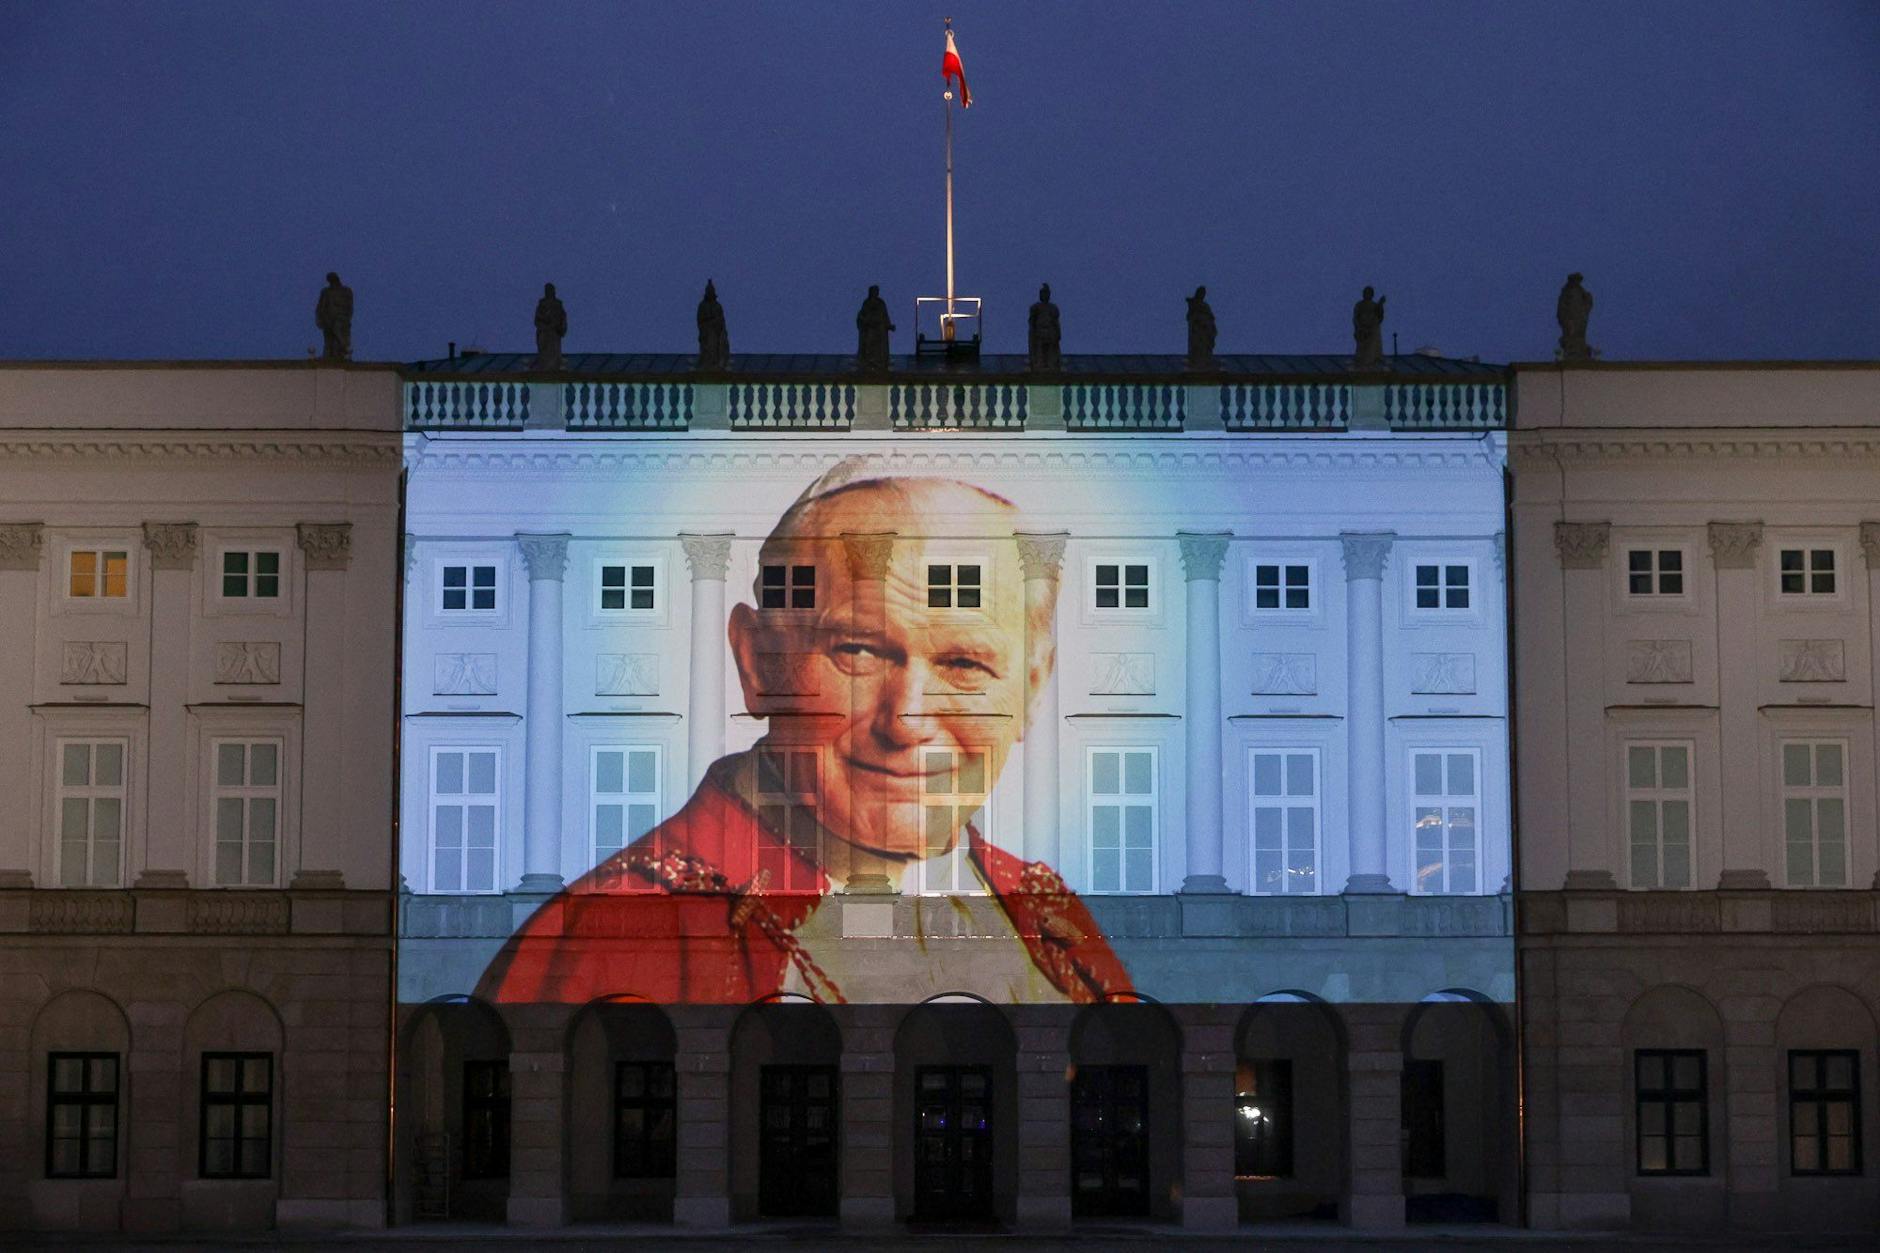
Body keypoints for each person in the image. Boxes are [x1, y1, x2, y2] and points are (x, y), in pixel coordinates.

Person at [477, 464, 1131, 1006]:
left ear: (1032, 689)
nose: (907, 718)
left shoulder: (1052, 919)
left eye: (964, 664)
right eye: (858, 650)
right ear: (759, 663)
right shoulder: (606, 932)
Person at [856, 285, 895, 372]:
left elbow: (885, 316)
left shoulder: (881, 303)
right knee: (869, 343)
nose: (875, 293)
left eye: (877, 291)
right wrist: (865, 320)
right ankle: (869, 360)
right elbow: (862, 315)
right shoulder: (866, 303)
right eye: (874, 291)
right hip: (869, 329)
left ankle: (879, 361)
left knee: (879, 346)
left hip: (880, 330)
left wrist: (889, 325)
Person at [1556, 272, 1594, 362]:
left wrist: (1588, 299)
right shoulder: (1566, 291)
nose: (1577, 282)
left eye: (1579, 280)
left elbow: (1588, 302)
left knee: (1580, 329)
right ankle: (1571, 347)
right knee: (1571, 330)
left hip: (1580, 313)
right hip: (1570, 315)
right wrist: (1563, 314)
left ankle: (1578, 347)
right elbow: (1561, 306)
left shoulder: (1581, 291)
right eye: (1576, 280)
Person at [315, 272, 353, 361]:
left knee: (338, 335)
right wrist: (320, 317)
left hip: (340, 318)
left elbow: (349, 306)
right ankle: (328, 355)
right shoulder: (325, 291)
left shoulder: (346, 291)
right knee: (328, 338)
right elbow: (321, 306)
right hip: (328, 318)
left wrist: (345, 316)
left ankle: (341, 352)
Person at [696, 279, 730, 373]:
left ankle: (716, 363)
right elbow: (700, 320)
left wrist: (718, 325)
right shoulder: (702, 306)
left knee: (716, 347)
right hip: (707, 332)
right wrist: (708, 324)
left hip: (717, 332)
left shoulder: (718, 306)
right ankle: (708, 363)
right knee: (709, 347)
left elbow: (721, 320)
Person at [534, 282, 567, 371]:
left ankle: (553, 366)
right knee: (544, 350)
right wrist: (545, 323)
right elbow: (537, 319)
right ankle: (544, 366)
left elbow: (563, 318)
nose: (549, 292)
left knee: (554, 351)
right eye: (547, 290)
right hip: (544, 332)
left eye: (550, 290)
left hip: (554, 333)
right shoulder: (542, 305)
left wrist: (559, 327)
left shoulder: (558, 304)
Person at [1028, 283, 1061, 372]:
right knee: (1040, 350)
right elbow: (1032, 322)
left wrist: (1058, 333)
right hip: (1039, 332)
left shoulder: (1053, 308)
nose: (1044, 295)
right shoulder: (1035, 307)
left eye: (1046, 293)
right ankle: (1039, 365)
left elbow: (1055, 322)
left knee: (1050, 350)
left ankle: (1050, 365)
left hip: (1050, 332)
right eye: (1042, 293)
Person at [1352, 286, 1387, 370]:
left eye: (1369, 293)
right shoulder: (1359, 305)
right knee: (1362, 348)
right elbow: (1356, 317)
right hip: (1362, 330)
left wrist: (1380, 305)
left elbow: (1379, 316)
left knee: (1372, 346)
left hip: (1372, 330)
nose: (1367, 295)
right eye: (1365, 293)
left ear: (1372, 295)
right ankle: (1363, 361)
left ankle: (1372, 360)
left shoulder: (1374, 305)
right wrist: (1359, 327)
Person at [1185, 286, 1216, 370]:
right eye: (1201, 293)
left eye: (1204, 293)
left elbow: (1211, 317)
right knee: (1198, 344)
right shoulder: (1194, 304)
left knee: (1205, 345)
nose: (1203, 295)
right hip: (1198, 329)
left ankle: (1204, 360)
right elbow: (1189, 316)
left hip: (1206, 328)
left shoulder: (1205, 305)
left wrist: (1210, 325)